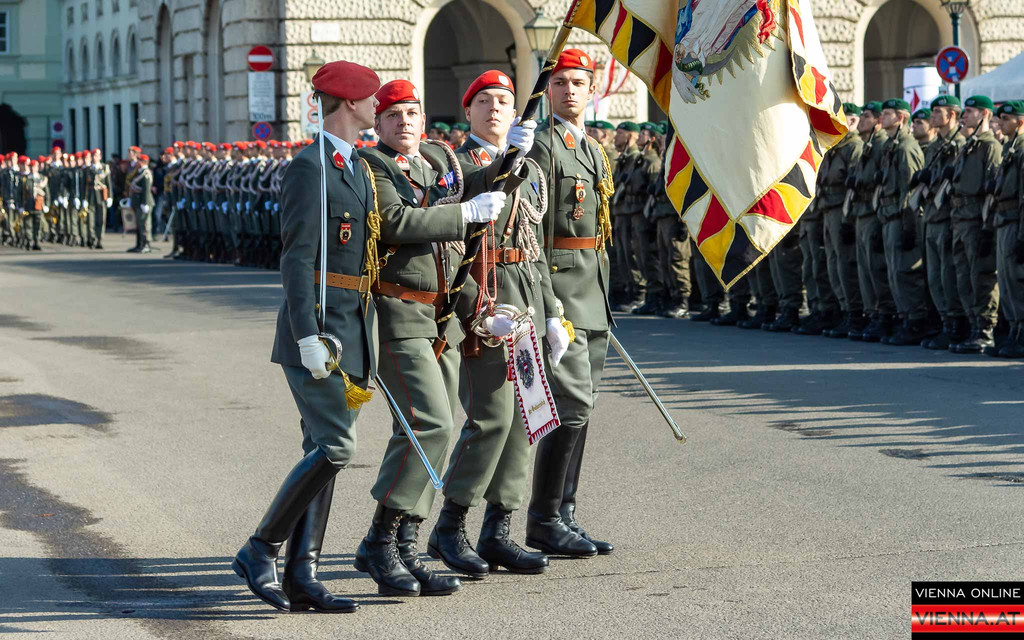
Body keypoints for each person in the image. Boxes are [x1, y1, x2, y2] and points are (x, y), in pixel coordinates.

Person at [353, 78, 521, 596]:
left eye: (412, 113)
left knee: (439, 429)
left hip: (440, 315)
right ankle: (379, 541)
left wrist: (511, 156)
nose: (404, 122)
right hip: (398, 312)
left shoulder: (433, 161)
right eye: (393, 115)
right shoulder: (372, 165)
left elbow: (468, 206)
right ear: (377, 124)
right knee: (427, 422)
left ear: (424, 120)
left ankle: (406, 543)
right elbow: (395, 221)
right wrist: (465, 213)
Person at [233, 59, 382, 614]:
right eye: (372, 98)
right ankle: (260, 549)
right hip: (321, 330)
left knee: (322, 447)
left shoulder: (356, 165)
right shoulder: (309, 167)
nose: (377, 106)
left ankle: (304, 574)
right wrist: (305, 336)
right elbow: (296, 259)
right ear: (350, 102)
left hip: (352, 325)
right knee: (336, 447)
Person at [425, 69, 552, 578]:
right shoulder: (454, 165)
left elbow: (534, 245)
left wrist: (553, 312)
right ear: (468, 111)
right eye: (484, 101)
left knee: (525, 418)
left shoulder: (532, 167)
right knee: (490, 417)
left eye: (503, 100)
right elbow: (449, 246)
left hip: (525, 293)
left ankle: (498, 530)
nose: (495, 108)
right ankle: (449, 525)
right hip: (484, 296)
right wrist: (476, 310)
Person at [525, 48, 614, 558]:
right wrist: (548, 305)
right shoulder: (542, 147)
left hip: (593, 290)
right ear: (548, 91)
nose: (569, 91)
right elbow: (532, 233)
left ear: (591, 89)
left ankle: (565, 513)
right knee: (572, 404)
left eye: (578, 83)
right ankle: (543, 518)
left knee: (584, 406)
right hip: (562, 291)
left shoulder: (594, 149)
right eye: (560, 83)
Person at [949, 95, 1003, 353]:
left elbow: (993, 191)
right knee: (963, 277)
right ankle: (972, 326)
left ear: (985, 114)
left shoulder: (990, 147)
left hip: (976, 220)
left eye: (970, 111)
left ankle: (985, 329)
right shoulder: (969, 145)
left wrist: (987, 228)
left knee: (981, 277)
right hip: (961, 219)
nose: (964, 116)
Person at [875, 99, 926, 346]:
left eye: (887, 114)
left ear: (901, 118)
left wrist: (909, 223)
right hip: (888, 215)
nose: (882, 118)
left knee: (905, 271)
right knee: (894, 272)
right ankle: (904, 317)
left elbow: (911, 189)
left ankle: (916, 321)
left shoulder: (906, 147)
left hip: (901, 216)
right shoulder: (891, 146)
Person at [921, 95, 968, 349]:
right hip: (931, 216)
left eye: (938, 112)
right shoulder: (935, 146)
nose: (933, 116)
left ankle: (956, 324)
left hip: (948, 217)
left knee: (948, 275)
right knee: (935, 277)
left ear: (952, 115)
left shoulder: (960, 144)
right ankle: (943, 322)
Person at [849, 101, 895, 341]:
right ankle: (871, 314)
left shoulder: (880, 146)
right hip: (862, 212)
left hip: (874, 212)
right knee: (864, 269)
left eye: (866, 116)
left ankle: (884, 315)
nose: (861, 120)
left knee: (877, 268)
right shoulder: (868, 145)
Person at [819, 103, 865, 338]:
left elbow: (853, 186)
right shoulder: (835, 145)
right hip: (829, 208)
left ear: (852, 121)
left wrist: (848, 218)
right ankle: (842, 309)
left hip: (842, 210)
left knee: (845, 264)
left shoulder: (854, 147)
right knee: (833, 263)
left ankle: (854, 313)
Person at [991, 100, 1024, 357]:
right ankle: (1013, 331)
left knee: (1016, 279)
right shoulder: (1009, 148)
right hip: (1004, 220)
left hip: (1015, 221)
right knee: (1007, 280)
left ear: (1020, 122)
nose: (1000, 122)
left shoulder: (1021, 151)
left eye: (1006, 118)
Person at [610, 121, 644, 310]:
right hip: (621, 213)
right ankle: (629, 291)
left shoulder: (636, 158)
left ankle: (639, 294)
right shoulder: (624, 159)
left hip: (632, 213)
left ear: (631, 136)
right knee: (622, 255)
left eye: (620, 133)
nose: (616, 137)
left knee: (632, 255)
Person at [128, 154, 155, 253]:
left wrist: (145, 202)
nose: (136, 162)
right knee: (139, 224)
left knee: (145, 224)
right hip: (138, 202)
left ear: (143, 162)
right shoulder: (139, 172)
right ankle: (139, 244)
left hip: (144, 202)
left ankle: (146, 244)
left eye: (138, 160)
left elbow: (146, 189)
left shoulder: (146, 173)